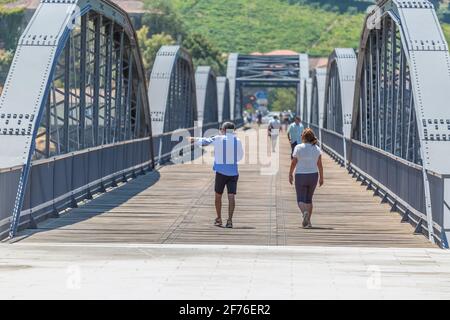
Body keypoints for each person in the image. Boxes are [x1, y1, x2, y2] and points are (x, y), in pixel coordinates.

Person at [190, 122, 244, 228]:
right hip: (233, 172)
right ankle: (230, 220)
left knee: (218, 196)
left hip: (221, 172)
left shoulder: (218, 138)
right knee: (231, 196)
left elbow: (204, 142)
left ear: (223, 130)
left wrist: (194, 139)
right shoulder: (237, 141)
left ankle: (219, 218)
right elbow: (240, 157)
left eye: (221, 129)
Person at [289, 128, 324, 228]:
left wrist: (290, 174)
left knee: (300, 199)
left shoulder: (298, 147)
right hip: (313, 175)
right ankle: (308, 222)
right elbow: (320, 165)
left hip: (301, 175)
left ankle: (304, 213)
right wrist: (321, 178)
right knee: (309, 199)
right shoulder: (316, 148)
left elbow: (293, 162)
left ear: (303, 137)